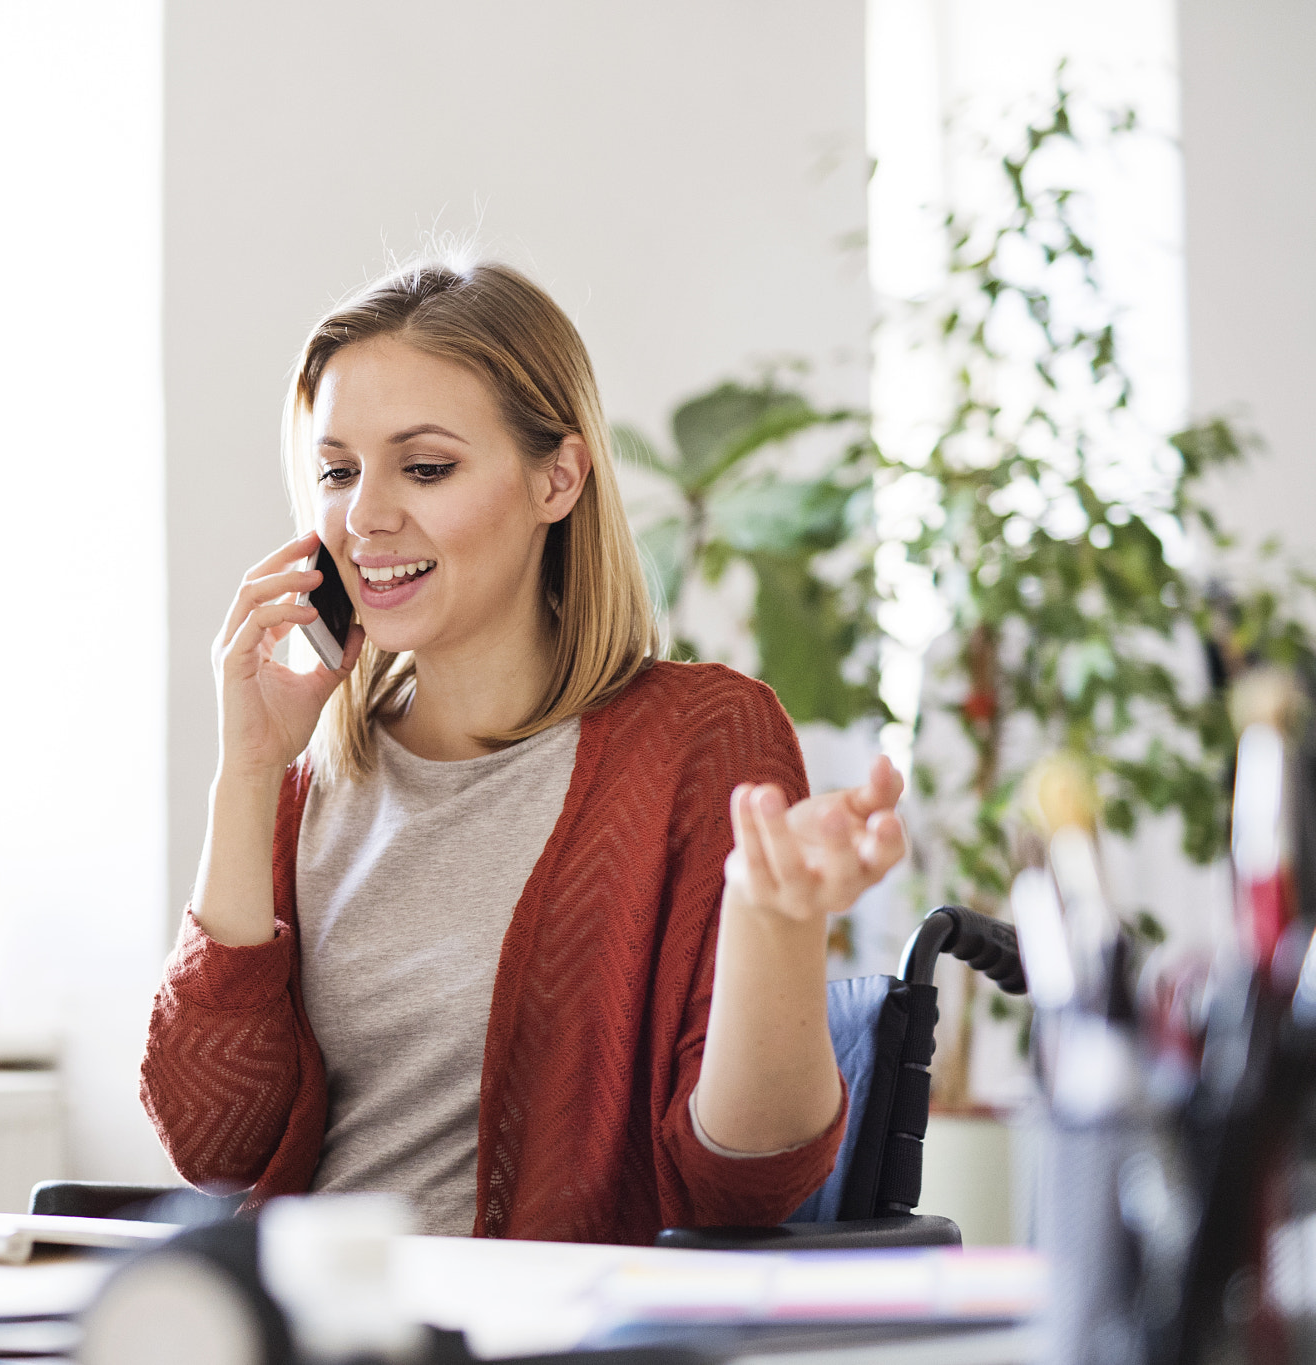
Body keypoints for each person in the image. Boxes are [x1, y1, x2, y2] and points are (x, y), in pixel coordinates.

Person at [140, 257, 907, 1244]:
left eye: (424, 467)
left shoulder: (696, 741)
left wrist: (774, 920)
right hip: (312, 1322)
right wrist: (245, 772)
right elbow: (214, 1144)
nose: (363, 515)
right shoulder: (312, 778)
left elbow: (739, 1194)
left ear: (557, 477)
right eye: (335, 470)